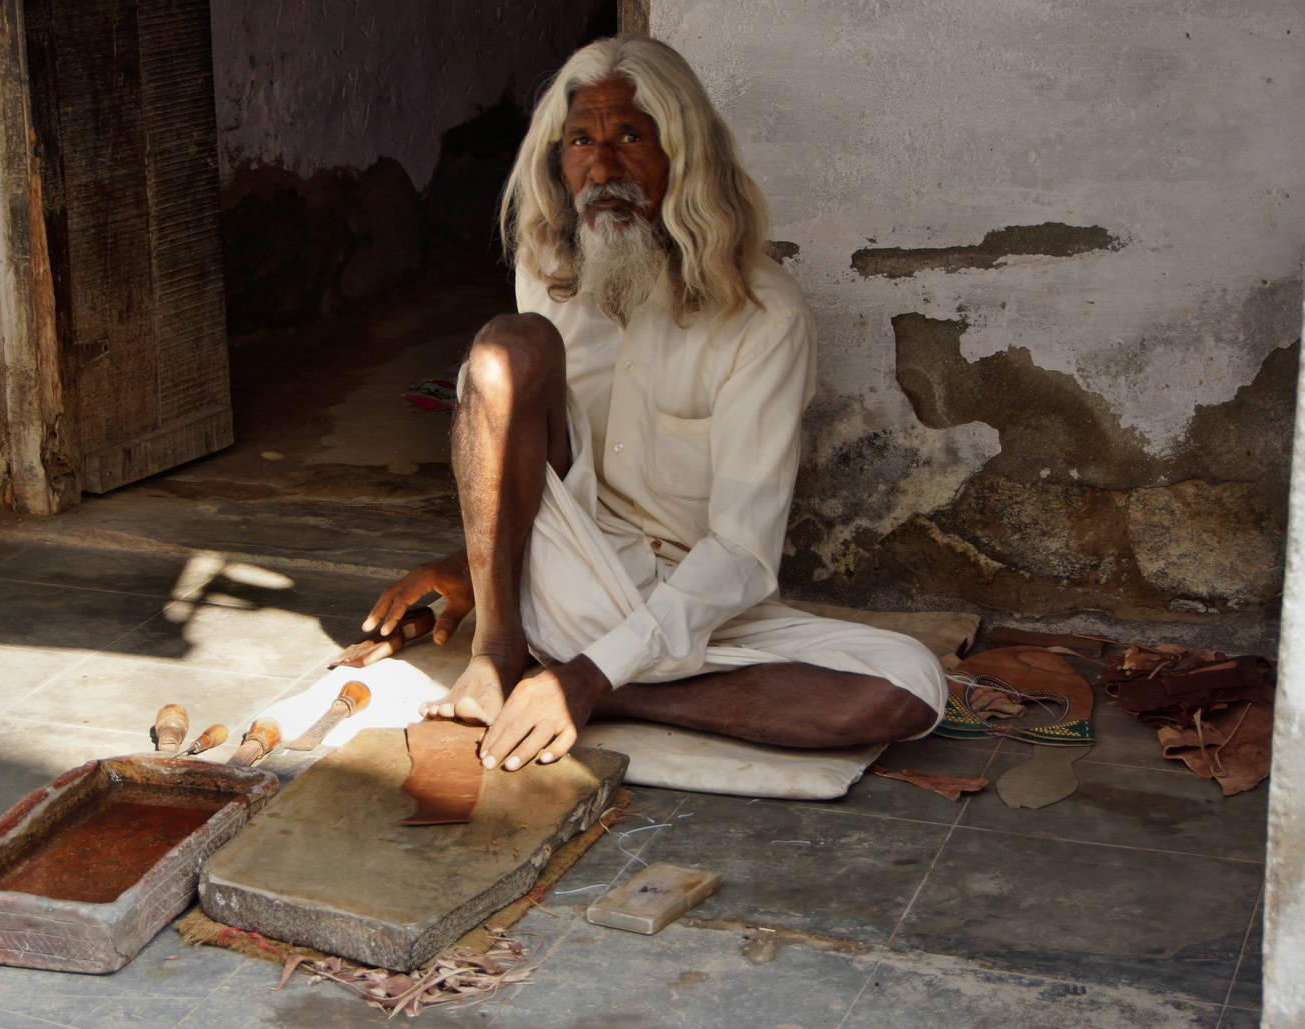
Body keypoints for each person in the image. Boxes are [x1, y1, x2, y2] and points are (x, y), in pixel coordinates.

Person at [357, 36, 948, 773]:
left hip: (689, 610)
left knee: (908, 690)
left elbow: (741, 554)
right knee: (506, 347)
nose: (602, 169)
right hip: (557, 586)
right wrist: (470, 574)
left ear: (685, 154)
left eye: (629, 138)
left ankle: (598, 697)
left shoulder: (767, 318)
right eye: (581, 142)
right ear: (558, 159)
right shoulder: (548, 271)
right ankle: (500, 658)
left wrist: (589, 676)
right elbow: (530, 458)